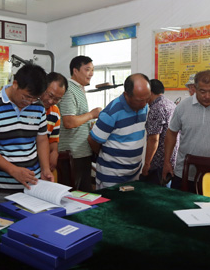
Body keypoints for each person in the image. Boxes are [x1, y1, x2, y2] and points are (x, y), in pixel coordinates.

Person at [0, 64, 53, 209]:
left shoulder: (38, 106)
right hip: (1, 187)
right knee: (3, 222)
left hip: (32, 185)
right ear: (15, 84)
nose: (29, 102)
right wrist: (14, 171)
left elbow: (42, 139)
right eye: (27, 97)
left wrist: (45, 169)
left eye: (34, 98)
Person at [88, 74, 150, 189]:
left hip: (134, 173)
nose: (145, 104)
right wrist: (109, 157)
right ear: (126, 95)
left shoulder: (143, 107)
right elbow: (93, 140)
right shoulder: (111, 112)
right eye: (140, 100)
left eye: (147, 99)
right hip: (111, 177)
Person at [57, 56, 102, 191]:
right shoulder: (69, 89)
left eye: (92, 70)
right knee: (74, 195)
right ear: (75, 71)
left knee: (84, 194)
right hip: (73, 154)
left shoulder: (79, 88)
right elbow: (69, 122)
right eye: (87, 69)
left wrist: (90, 123)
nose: (91, 73)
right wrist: (92, 114)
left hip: (81, 152)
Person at [141, 79, 178, 186]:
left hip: (159, 163)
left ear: (150, 92)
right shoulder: (171, 104)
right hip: (172, 159)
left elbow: (153, 139)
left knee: (154, 192)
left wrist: (147, 164)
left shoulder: (156, 108)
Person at [40, 72, 68, 172]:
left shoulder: (55, 112)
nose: (51, 101)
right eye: (50, 95)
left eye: (57, 99)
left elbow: (53, 140)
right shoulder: (29, 106)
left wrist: (54, 152)